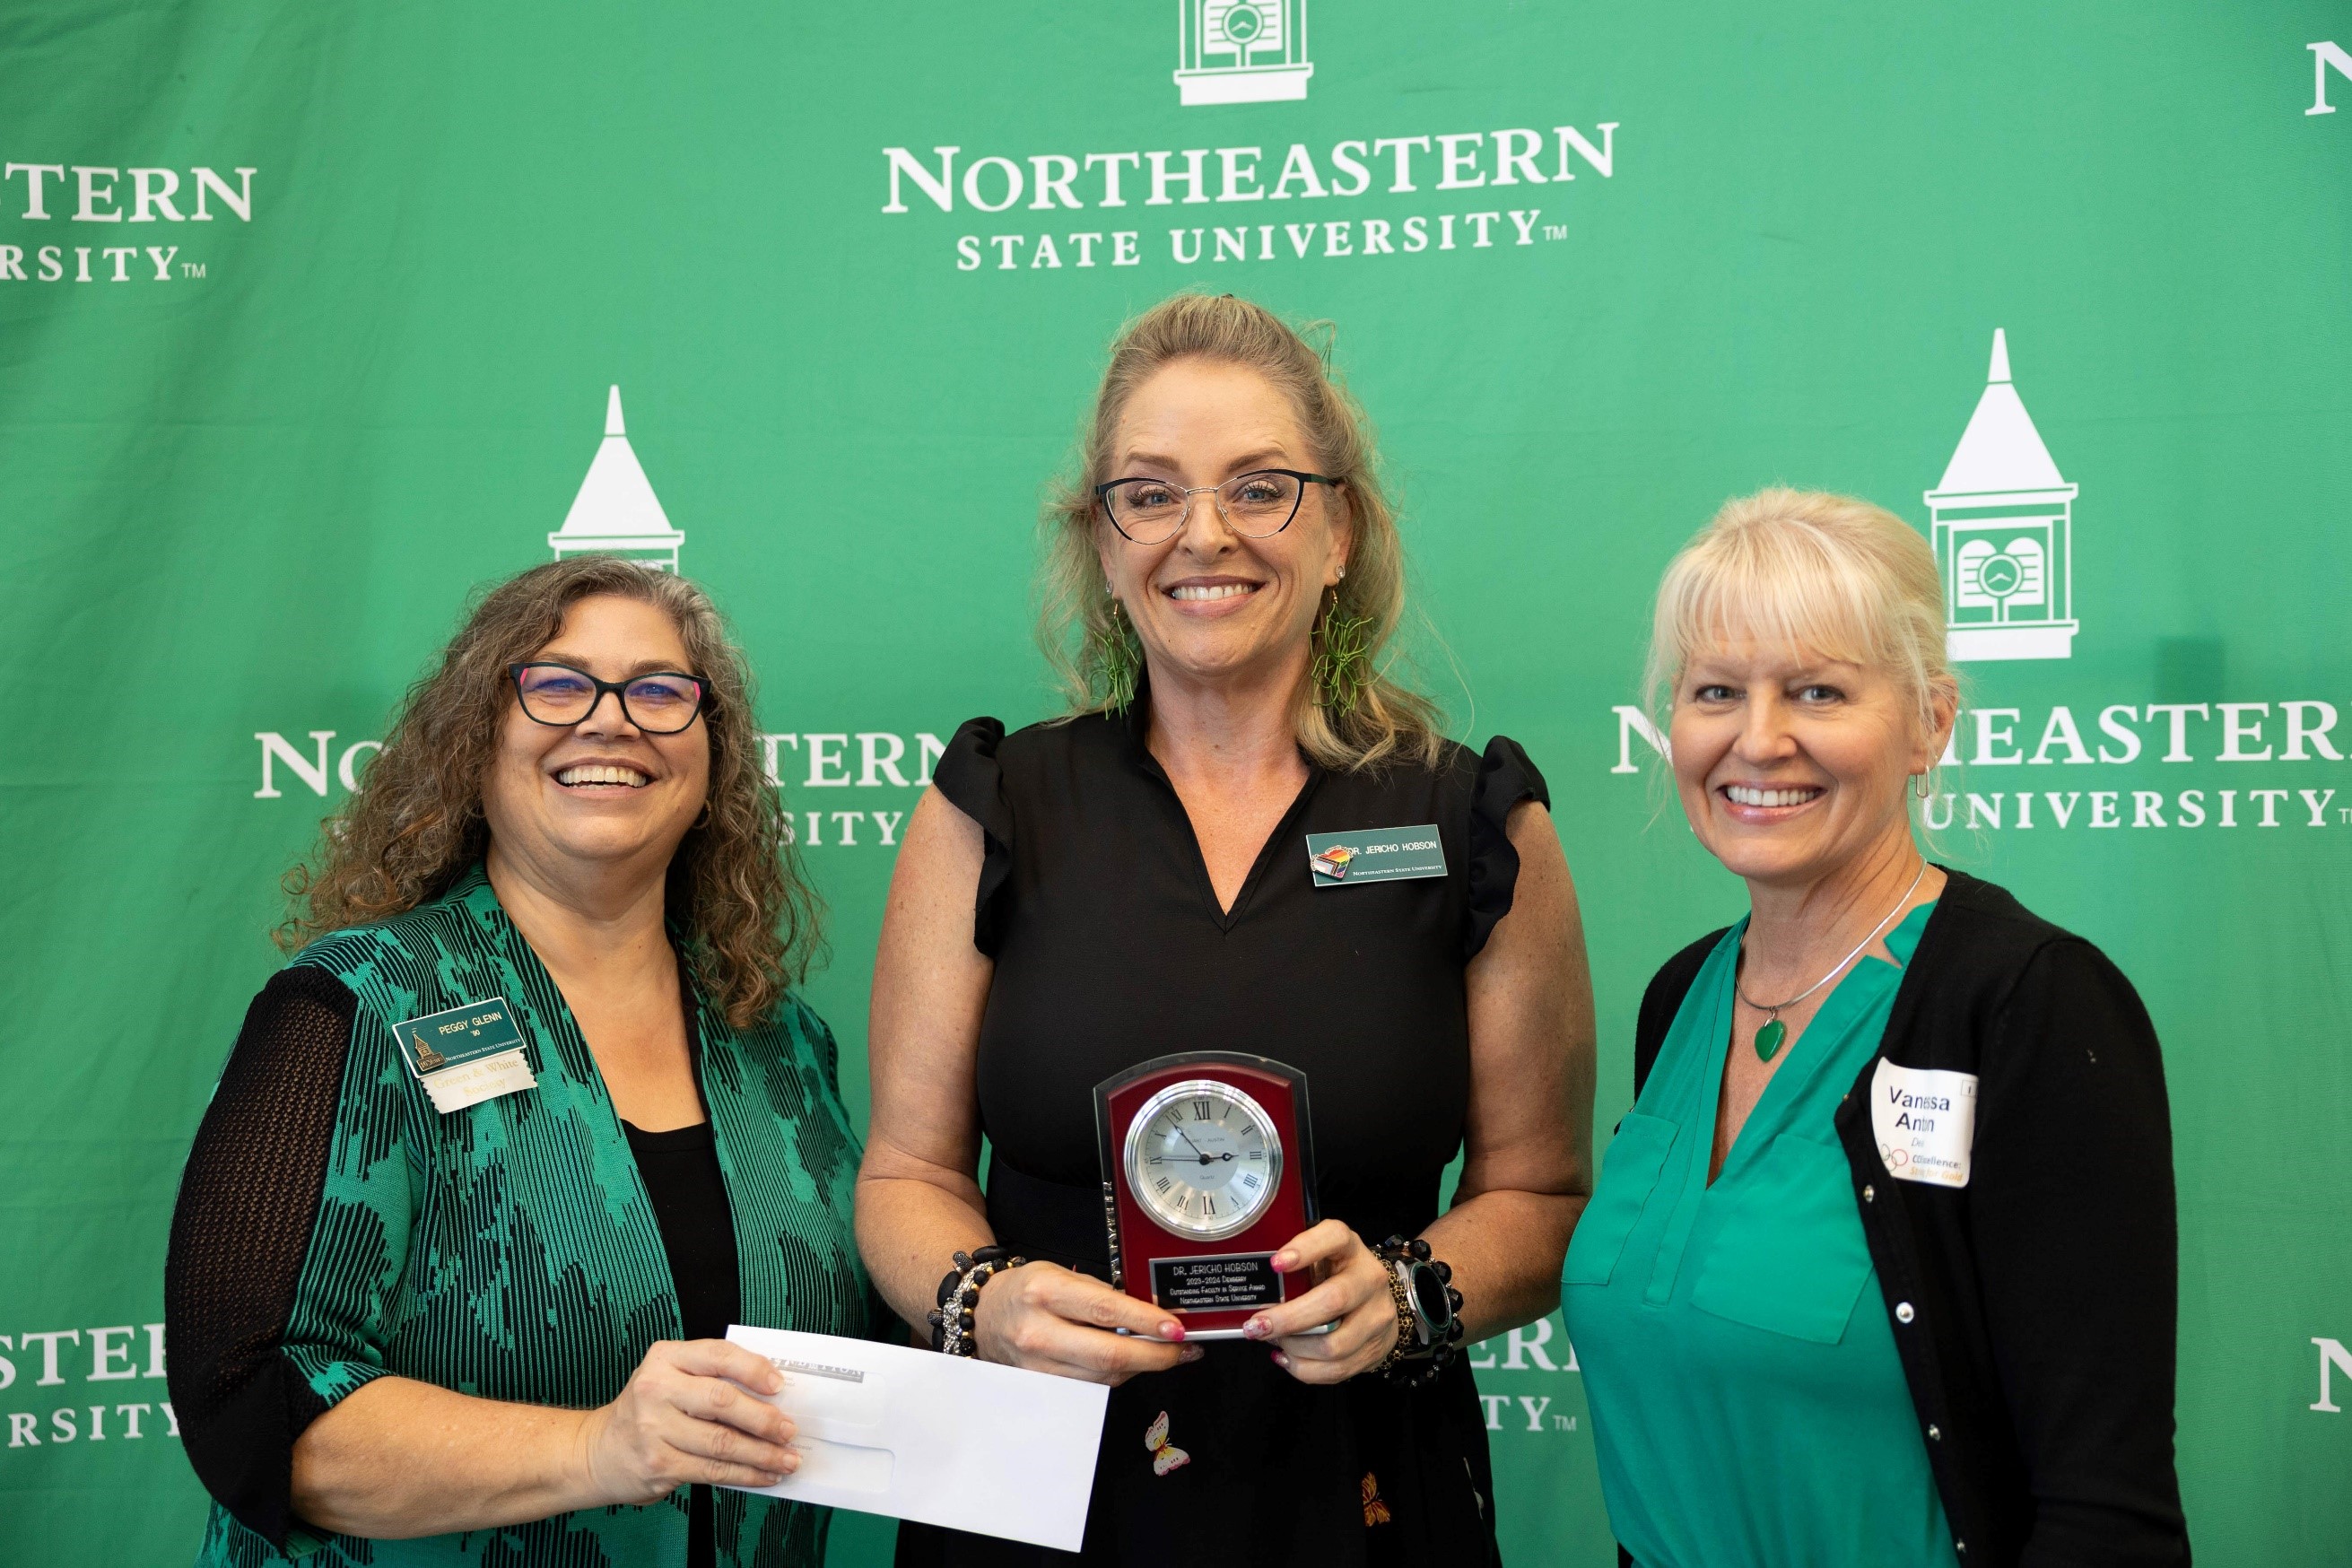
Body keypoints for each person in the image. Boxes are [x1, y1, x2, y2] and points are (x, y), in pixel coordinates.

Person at [858, 292, 1596, 1566]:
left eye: (1261, 489)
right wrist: (984, 1303)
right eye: (1148, 494)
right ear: (1100, 539)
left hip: (1358, 1491)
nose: (1204, 534)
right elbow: (905, 1180)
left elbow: (1537, 1196)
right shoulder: (992, 806)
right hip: (1041, 1484)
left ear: (1339, 529)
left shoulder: (1472, 817)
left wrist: (1410, 1296)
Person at [165, 558, 873, 1568]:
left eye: (661, 691)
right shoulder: (351, 1006)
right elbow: (252, 1407)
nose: (612, 720)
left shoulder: (783, 1042)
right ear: (475, 738)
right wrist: (599, 1445)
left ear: (711, 756)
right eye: (556, 683)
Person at [1564, 489, 2189, 1567]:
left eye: (1817, 690)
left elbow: (2105, 1508)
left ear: (1928, 722)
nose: (1758, 740)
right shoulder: (1681, 997)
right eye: (1717, 690)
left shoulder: (2029, 1003)